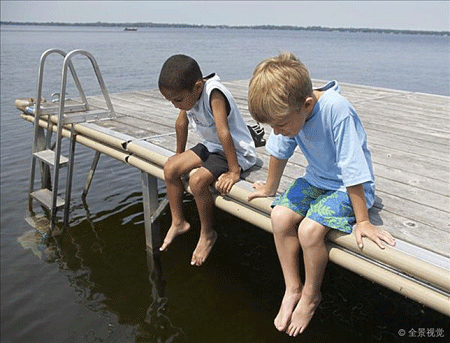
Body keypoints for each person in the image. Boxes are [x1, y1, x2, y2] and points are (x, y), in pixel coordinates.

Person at [246, 52, 396, 337]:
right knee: (279, 216)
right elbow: (279, 152)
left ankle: (311, 295)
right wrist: (269, 188)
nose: (277, 131)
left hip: (350, 186)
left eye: (281, 125)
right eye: (272, 126)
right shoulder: (289, 114)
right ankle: (292, 287)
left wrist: (362, 221)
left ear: (307, 105)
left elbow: (353, 168)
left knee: (310, 231)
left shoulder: (337, 110)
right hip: (318, 178)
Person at [158, 54, 256, 266]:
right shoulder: (187, 96)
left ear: (197, 87)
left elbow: (224, 132)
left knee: (197, 182)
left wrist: (234, 171)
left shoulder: (214, 93)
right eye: (170, 101)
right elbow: (181, 124)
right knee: (170, 168)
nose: (175, 105)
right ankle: (178, 221)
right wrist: (179, 153)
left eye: (178, 100)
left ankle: (207, 233)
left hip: (235, 151)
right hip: (212, 146)